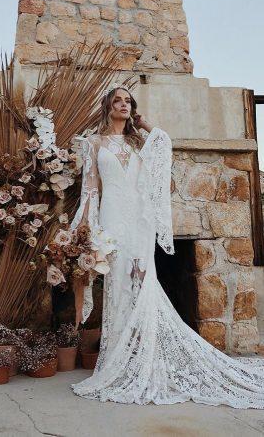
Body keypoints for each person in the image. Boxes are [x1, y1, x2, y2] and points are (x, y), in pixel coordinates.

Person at [70, 85, 264, 408]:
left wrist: (143, 124)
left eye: (127, 101)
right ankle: (117, 365)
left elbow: (165, 144)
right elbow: (90, 190)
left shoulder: (138, 142)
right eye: (117, 100)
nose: (123, 105)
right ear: (107, 106)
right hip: (113, 221)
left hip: (139, 225)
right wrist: (86, 231)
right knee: (118, 289)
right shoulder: (94, 143)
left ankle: (141, 361)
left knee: (142, 287)